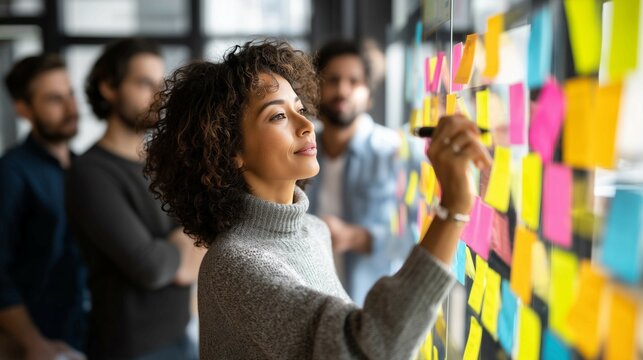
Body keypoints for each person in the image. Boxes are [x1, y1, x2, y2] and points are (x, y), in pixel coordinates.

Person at [144, 40, 492, 359]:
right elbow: (367, 348)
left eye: (299, 108)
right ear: (231, 149)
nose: (306, 125)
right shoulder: (236, 264)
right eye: (278, 116)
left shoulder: (313, 230)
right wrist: (453, 210)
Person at [65, 38, 203, 359]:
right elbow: (151, 266)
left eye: (160, 85)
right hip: (131, 348)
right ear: (109, 89)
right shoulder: (89, 172)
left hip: (182, 331)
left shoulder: (163, 163)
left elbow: (204, 234)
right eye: (144, 83)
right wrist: (187, 247)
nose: (158, 97)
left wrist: (180, 249)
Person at [305, 39, 425, 305]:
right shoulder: (300, 150)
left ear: (369, 95)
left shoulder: (395, 152)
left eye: (354, 81)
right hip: (311, 305)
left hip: (372, 309)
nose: (342, 90)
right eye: (333, 80)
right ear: (316, 89)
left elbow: (419, 237)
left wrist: (357, 238)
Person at [0, 54, 87, 359]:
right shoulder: (11, 172)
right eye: (54, 99)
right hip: (42, 343)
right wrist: (32, 341)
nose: (70, 108)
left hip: (90, 333)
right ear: (23, 109)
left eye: (70, 95)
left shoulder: (84, 167)